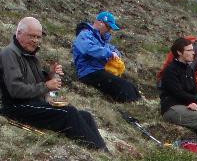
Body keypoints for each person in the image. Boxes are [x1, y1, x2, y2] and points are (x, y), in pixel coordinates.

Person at [0, 16, 106, 149]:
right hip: (16, 108)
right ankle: (96, 149)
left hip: (34, 104)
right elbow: (16, 90)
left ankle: (103, 151)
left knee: (86, 116)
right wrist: (46, 86)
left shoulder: (30, 55)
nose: (35, 41)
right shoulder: (9, 53)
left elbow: (36, 82)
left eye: (38, 37)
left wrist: (50, 75)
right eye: (31, 36)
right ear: (19, 33)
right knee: (69, 113)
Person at [72, 11, 140, 102]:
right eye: (108, 27)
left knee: (130, 86)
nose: (109, 30)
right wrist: (109, 53)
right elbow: (88, 49)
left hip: (100, 71)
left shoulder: (102, 39)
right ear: (100, 22)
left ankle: (138, 103)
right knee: (123, 86)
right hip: (88, 72)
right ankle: (131, 105)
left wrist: (115, 53)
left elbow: (112, 49)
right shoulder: (84, 34)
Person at [158, 36, 197, 101]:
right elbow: (177, 92)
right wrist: (196, 101)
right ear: (179, 52)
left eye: (193, 50)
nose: (193, 53)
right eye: (189, 50)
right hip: (178, 99)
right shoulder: (171, 67)